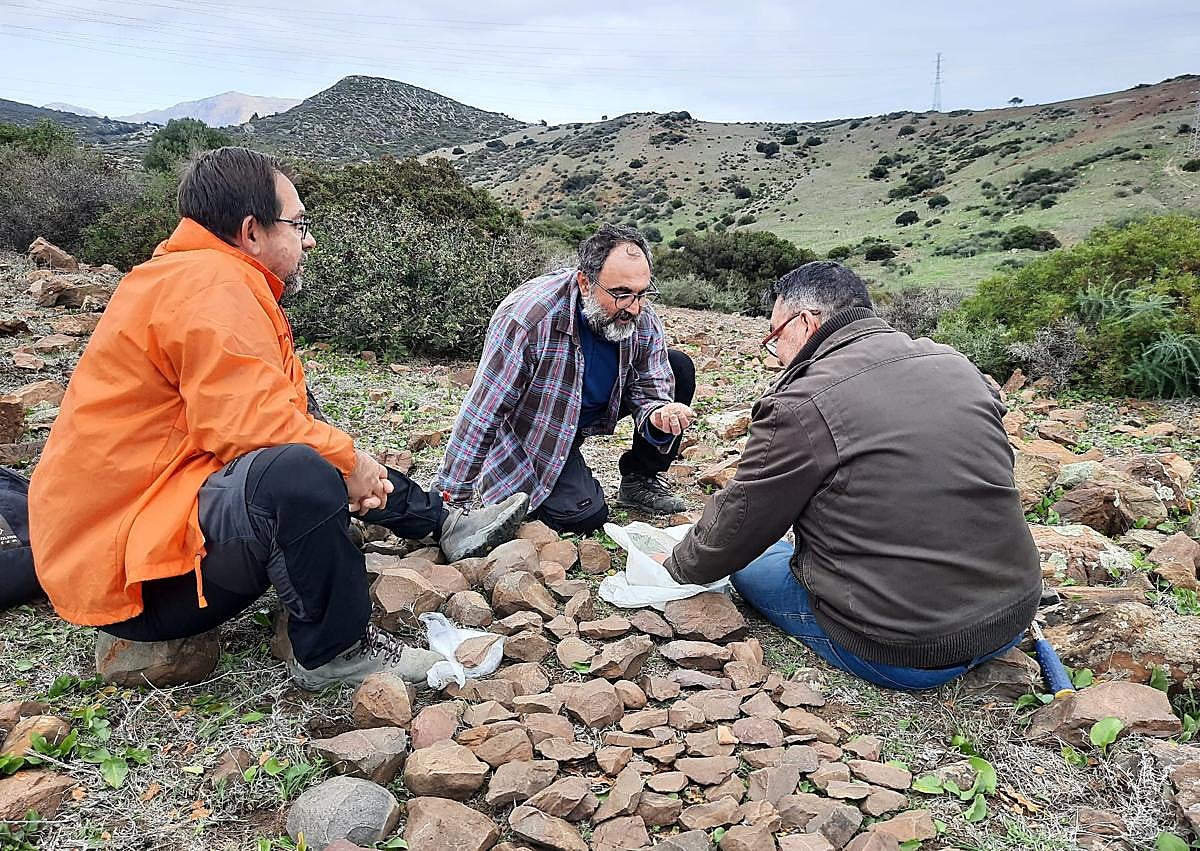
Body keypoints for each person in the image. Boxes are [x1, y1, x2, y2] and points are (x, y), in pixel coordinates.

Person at [28, 147, 528, 690]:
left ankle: (438, 521)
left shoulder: (200, 276)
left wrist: (353, 467)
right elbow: (253, 432)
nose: (308, 239)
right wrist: (347, 462)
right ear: (251, 232)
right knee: (297, 469)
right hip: (136, 587)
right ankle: (335, 652)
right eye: (299, 223)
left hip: (142, 536)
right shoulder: (212, 288)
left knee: (309, 433)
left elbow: (280, 415)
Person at [660, 261, 1041, 690]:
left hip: (908, 651)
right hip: (1011, 616)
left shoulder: (802, 400)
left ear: (804, 323)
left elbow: (741, 522)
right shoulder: (954, 362)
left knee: (752, 564)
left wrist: (676, 566)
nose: (776, 357)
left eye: (774, 339)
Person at [433, 224, 696, 533]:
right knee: (584, 516)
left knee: (679, 366)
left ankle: (640, 479)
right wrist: (450, 501)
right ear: (585, 282)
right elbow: (484, 411)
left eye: (642, 294)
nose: (634, 308)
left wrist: (657, 416)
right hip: (536, 428)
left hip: (591, 408)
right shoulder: (529, 319)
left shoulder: (639, 314)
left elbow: (652, 385)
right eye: (622, 295)